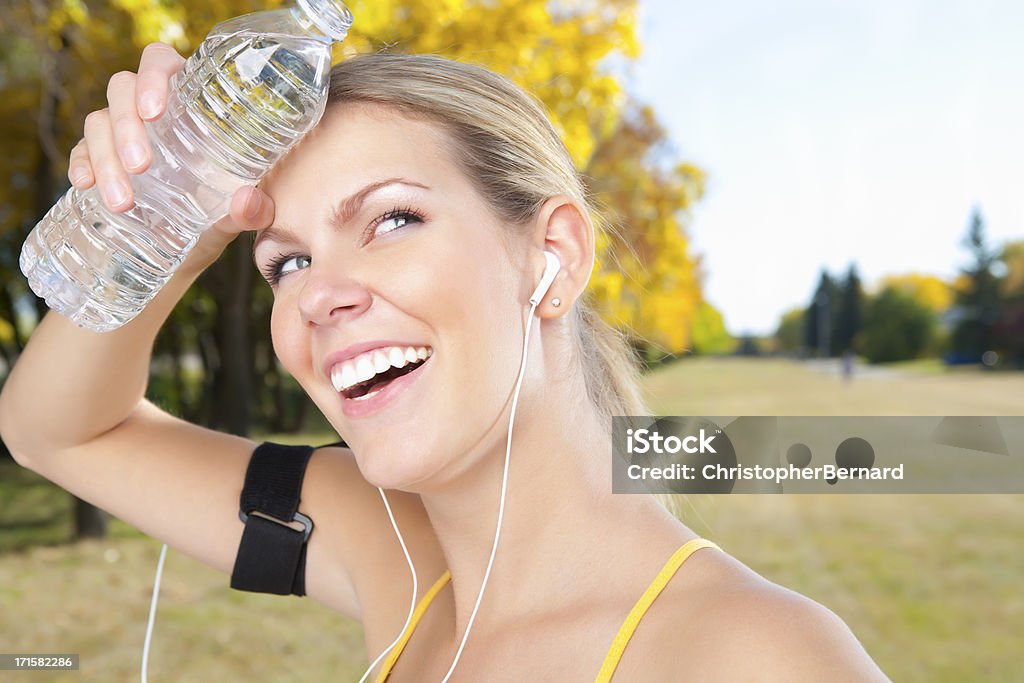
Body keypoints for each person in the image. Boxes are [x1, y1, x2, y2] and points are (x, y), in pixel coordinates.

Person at [0, 42, 888, 681]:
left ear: (555, 258)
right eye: (287, 261)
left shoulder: (756, 657)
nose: (317, 296)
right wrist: (168, 219)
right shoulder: (382, 544)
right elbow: (56, 430)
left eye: (390, 219)